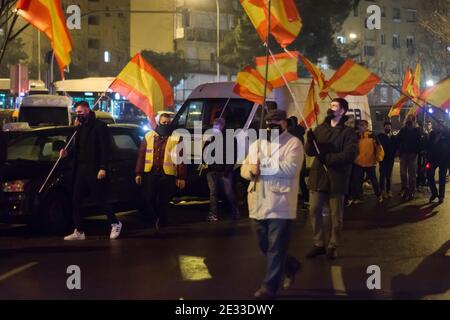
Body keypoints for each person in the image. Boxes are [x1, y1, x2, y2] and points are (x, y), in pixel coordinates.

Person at [241, 110, 303, 299]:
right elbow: (244, 167)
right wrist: (250, 171)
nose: (272, 125)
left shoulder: (294, 143)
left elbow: (290, 169)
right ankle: (290, 265)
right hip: (257, 202)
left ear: (284, 123)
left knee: (275, 249)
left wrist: (264, 165)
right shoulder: (257, 144)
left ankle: (269, 287)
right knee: (264, 245)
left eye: (276, 122)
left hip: (280, 204)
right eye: (269, 122)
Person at [304, 98, 358, 260]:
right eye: (331, 105)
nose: (331, 108)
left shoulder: (348, 133)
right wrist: (310, 140)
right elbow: (311, 152)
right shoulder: (321, 128)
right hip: (318, 178)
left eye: (335, 106)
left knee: (336, 215)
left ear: (342, 111)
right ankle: (319, 243)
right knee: (314, 211)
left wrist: (327, 158)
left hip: (337, 178)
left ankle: (333, 245)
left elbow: (349, 155)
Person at [61, 101, 122, 241]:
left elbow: (105, 148)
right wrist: (66, 153)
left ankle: (115, 222)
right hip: (80, 169)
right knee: (75, 199)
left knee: (99, 198)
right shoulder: (79, 128)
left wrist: (103, 167)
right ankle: (79, 230)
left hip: (94, 168)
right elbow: (76, 147)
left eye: (81, 112)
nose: (79, 115)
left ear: (88, 110)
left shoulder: (99, 126)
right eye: (77, 113)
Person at [135, 113, 186, 232]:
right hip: (151, 172)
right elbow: (141, 155)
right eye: (164, 122)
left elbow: (181, 158)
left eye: (168, 123)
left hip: (167, 174)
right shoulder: (149, 136)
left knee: (162, 200)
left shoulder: (176, 137)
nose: (166, 125)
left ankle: (162, 222)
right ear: (158, 122)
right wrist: (138, 173)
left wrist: (181, 177)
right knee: (149, 197)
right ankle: (157, 218)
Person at [203, 118, 239, 221]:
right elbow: (205, 151)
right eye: (214, 126)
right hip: (212, 170)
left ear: (222, 127)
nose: (215, 129)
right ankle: (213, 214)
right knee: (213, 193)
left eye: (217, 127)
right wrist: (205, 163)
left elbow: (233, 155)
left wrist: (228, 169)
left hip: (224, 170)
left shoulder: (230, 138)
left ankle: (235, 212)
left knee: (228, 192)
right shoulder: (211, 138)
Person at [349, 120, 384, 204]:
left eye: (362, 125)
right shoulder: (356, 136)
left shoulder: (372, 136)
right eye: (359, 125)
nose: (361, 127)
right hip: (358, 163)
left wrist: (379, 157)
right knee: (358, 181)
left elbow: (379, 148)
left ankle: (379, 195)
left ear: (366, 126)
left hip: (370, 163)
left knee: (374, 181)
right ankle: (359, 197)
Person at [396, 115, 422, 201]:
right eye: (408, 119)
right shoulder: (403, 130)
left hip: (412, 155)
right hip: (403, 154)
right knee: (403, 173)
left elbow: (419, 142)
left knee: (412, 175)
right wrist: (399, 151)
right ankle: (404, 189)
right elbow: (397, 139)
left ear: (414, 121)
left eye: (412, 119)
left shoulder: (417, 130)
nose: (410, 121)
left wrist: (416, 152)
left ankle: (411, 191)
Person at [426, 120, 450, 204]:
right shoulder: (432, 134)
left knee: (442, 178)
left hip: (444, 160)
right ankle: (434, 193)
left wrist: (446, 129)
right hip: (433, 159)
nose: (439, 126)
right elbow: (428, 145)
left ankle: (441, 196)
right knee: (429, 174)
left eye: (441, 124)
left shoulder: (447, 133)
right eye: (438, 124)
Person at [288, 116, 309, 208]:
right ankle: (306, 199)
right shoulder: (300, 132)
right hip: (300, 157)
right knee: (300, 180)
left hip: (292, 158)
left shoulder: (290, 132)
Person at [377, 121, 397, 198]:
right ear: (384, 127)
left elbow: (395, 147)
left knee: (389, 176)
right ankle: (382, 191)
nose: (388, 128)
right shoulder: (380, 136)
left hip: (390, 159)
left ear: (391, 128)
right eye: (386, 127)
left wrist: (395, 154)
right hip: (382, 159)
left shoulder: (393, 137)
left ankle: (389, 191)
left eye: (389, 127)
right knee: (382, 175)